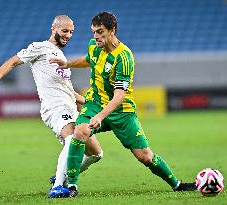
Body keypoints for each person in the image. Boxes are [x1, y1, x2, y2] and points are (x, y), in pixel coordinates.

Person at [49, 12, 196, 198]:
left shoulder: (124, 57)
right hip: (95, 102)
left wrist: (101, 116)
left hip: (121, 111)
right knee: (80, 132)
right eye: (94, 32)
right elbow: (89, 59)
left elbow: (119, 95)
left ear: (112, 30)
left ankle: (177, 184)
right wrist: (68, 63)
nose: (96, 36)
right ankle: (70, 187)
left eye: (100, 32)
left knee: (145, 156)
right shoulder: (94, 46)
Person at [0, 15, 103, 198]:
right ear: (53, 28)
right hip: (54, 107)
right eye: (64, 31)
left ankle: (60, 176)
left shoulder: (61, 57)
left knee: (96, 153)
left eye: (71, 32)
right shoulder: (40, 47)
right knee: (71, 140)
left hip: (70, 107)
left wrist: (91, 104)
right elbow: (13, 61)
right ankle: (57, 187)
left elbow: (68, 91)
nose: (68, 35)